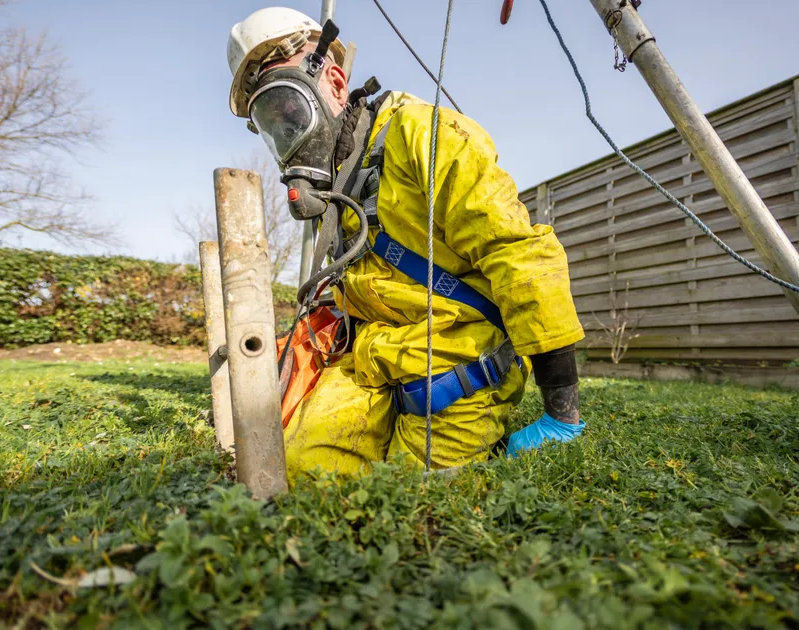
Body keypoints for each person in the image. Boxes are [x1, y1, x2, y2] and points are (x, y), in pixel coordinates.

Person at [226, 7, 586, 481]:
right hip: (371, 362)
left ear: (333, 81)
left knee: (408, 504)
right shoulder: (340, 183)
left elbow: (519, 254)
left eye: (288, 110)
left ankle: (484, 437)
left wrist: (562, 411)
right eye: (271, 124)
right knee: (300, 474)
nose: (287, 134)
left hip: (457, 367)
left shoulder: (426, 135)